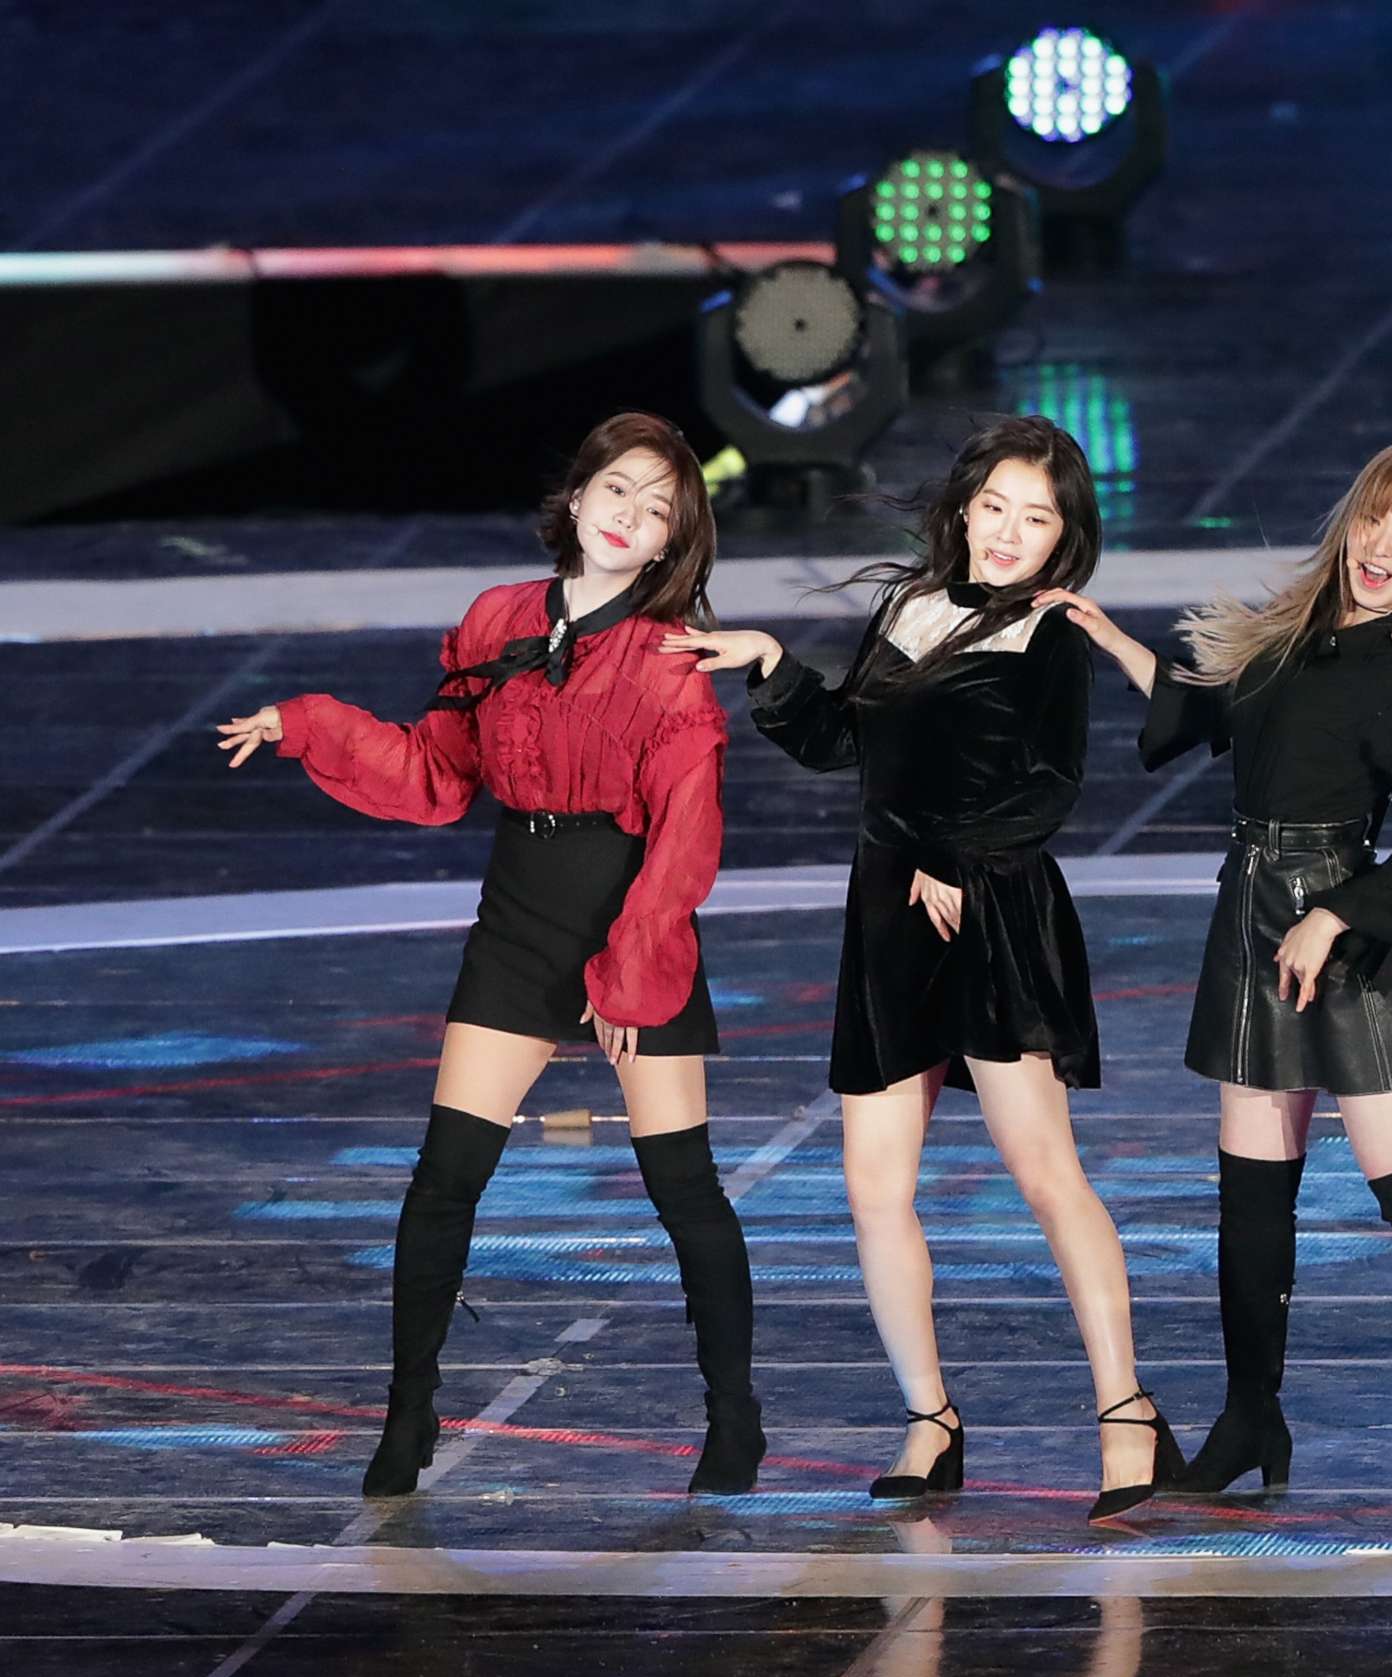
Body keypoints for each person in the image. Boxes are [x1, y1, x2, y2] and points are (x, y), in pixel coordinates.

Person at [216, 411, 763, 1495]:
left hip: (630, 914)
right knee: (444, 1180)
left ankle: (734, 1420)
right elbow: (436, 770)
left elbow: (688, 833)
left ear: (670, 545)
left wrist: (633, 963)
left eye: (658, 510)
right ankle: (408, 1418)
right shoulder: (496, 619)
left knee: (682, 1186)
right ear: (577, 497)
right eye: (619, 490)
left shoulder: (670, 659)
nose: (630, 517)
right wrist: (309, 721)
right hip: (519, 913)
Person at [1039, 435, 1392, 1512]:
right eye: (1376, 519)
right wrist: (1112, 643)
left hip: (1344, 926)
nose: (1382, 545)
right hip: (1253, 911)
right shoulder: (1295, 640)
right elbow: (1217, 721)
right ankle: (1249, 1417)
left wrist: (1337, 913)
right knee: (1251, 1194)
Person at [668, 416, 1178, 1522]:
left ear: (1063, 540)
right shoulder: (908, 607)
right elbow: (851, 743)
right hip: (893, 924)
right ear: (960, 508)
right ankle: (930, 1419)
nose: (1007, 532)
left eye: (1035, 518)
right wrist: (768, 665)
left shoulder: (1049, 636)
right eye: (994, 506)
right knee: (871, 1187)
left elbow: (1046, 787)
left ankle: (1127, 1415)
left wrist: (955, 859)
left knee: (1046, 1175)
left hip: (991, 915)